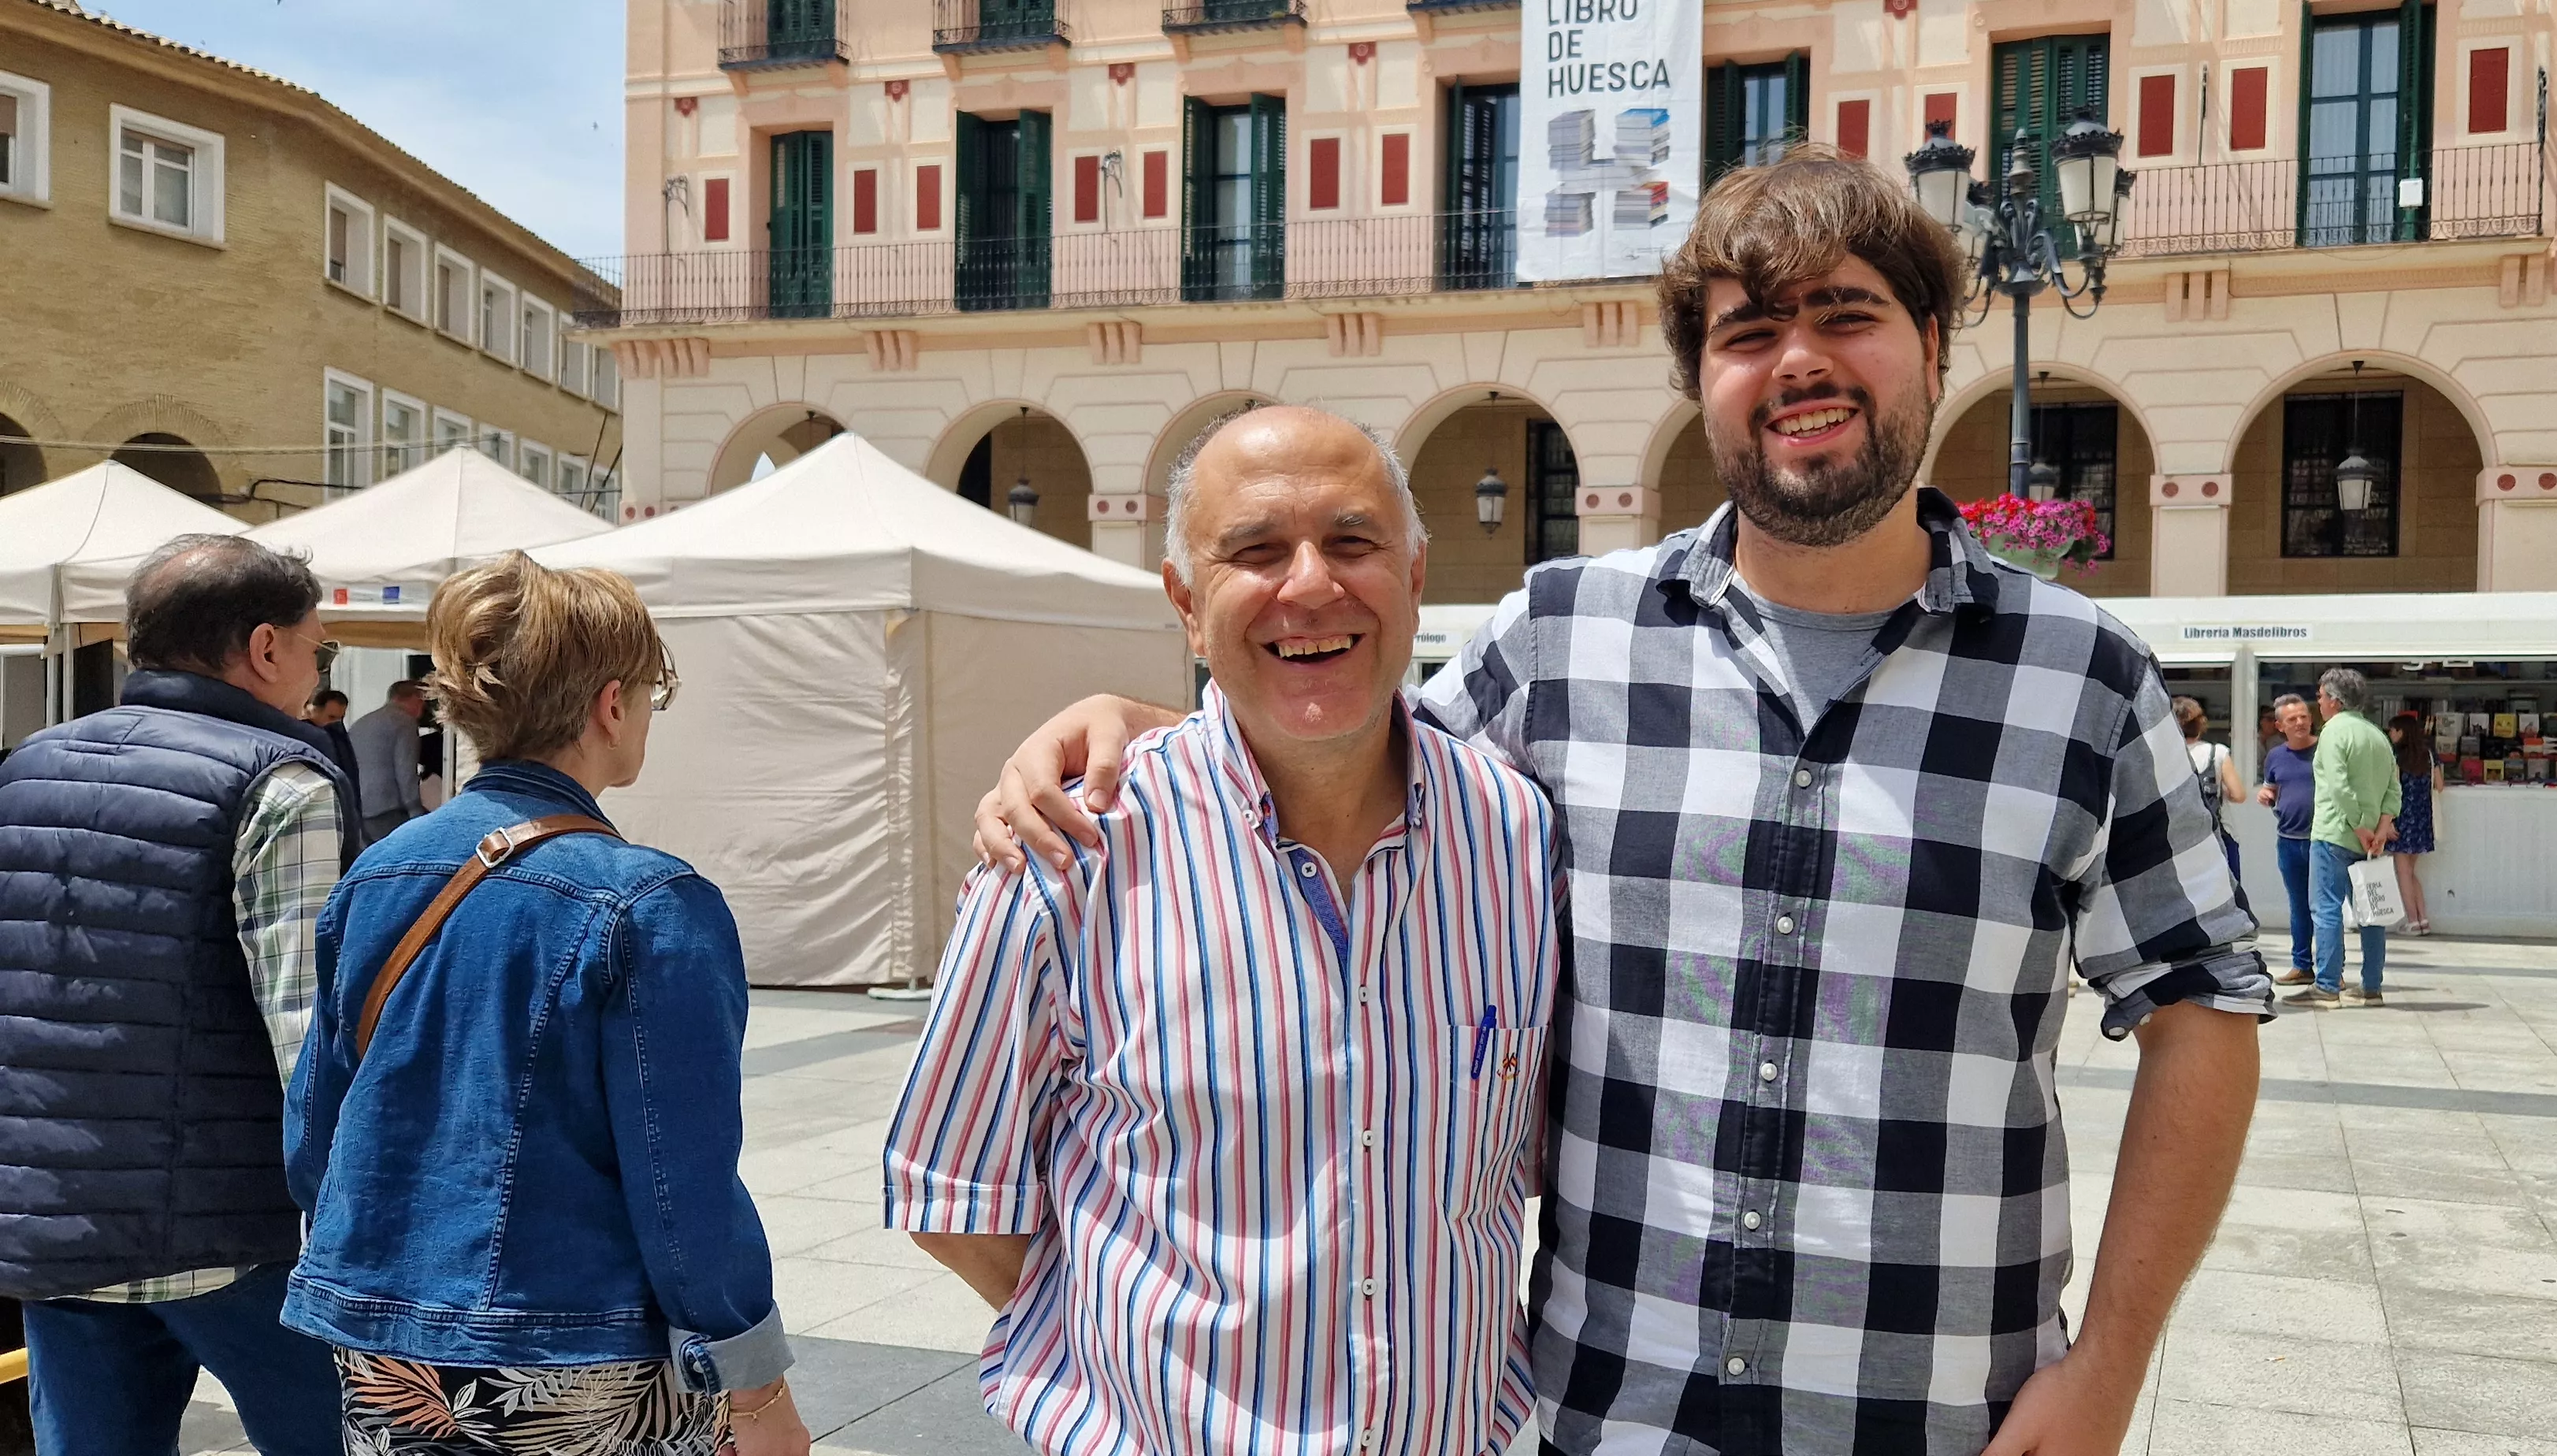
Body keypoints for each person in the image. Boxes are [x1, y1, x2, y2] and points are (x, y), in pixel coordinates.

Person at [975, 147, 2271, 1455]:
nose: (1799, 363)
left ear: (1932, 345)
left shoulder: (2081, 677)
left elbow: (2201, 1003)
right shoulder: (1560, 640)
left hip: (1943, 1417)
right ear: (1703, 383)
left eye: (1848, 315)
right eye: (1751, 332)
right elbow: (1335, 762)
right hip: (1605, 1419)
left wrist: (2109, 1362)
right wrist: (1145, 723)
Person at [886, 406, 1558, 1453]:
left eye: (1352, 541)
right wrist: (1135, 1361)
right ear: (1188, 606)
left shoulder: (1516, 834)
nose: (1310, 585)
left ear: (1415, 575)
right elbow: (953, 1194)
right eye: (1254, 550)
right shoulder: (1069, 851)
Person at [284, 554, 807, 1454]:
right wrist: (752, 1385)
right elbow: (682, 1180)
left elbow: (315, 1127)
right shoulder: (648, 902)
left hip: (383, 1334)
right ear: (612, 704)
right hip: (570, 1334)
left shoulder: (379, 872)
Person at [0, 534, 351, 1455]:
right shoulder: (281, 783)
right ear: (267, 647)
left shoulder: (28, 766)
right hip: (235, 1231)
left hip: (58, 1220)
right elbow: (305, 1027)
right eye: (322, 646)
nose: (318, 668)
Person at [2296, 668, 2399, 1009]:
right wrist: (2381, 828)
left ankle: (2327, 986)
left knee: (2326, 909)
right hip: (2372, 840)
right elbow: (2393, 789)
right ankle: (2371, 985)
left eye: (2322, 696)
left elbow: (2338, 786)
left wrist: (2357, 825)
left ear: (2335, 701)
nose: (2319, 702)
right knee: (2371, 912)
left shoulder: (2332, 733)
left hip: (2335, 833)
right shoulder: (2377, 735)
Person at [2254, 694, 2320, 985]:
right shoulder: (2275, 756)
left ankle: (2333, 970)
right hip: (2289, 840)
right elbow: (2270, 788)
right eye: (2292, 719)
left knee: (2326, 908)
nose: (2300, 722)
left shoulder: (2326, 750)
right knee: (2299, 905)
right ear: (2280, 726)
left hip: (2323, 840)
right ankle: (2302, 965)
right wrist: (2265, 796)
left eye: (2304, 716)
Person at [346, 680, 429, 844]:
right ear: (416, 699)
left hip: (359, 807)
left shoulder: (362, 723)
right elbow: (405, 768)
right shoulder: (404, 722)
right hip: (388, 807)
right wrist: (415, 810)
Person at [2175, 695, 2245, 882]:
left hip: (2179, 837)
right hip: (2218, 835)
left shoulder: (2166, 756)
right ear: (2201, 724)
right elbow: (2239, 795)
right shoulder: (2217, 753)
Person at [2387, 711, 2442, 935]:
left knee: (2404, 873)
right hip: (2422, 818)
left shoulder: (2395, 757)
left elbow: (2393, 789)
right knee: (2410, 871)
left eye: (2392, 730)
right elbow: (2439, 784)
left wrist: (2388, 821)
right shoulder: (2429, 755)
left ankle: (2412, 920)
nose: (2390, 734)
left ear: (2401, 732)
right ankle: (2423, 920)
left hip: (2402, 818)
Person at [305, 689, 367, 835]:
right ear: (314, 711)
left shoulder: (338, 738)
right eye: (331, 717)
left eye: (340, 718)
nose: (336, 723)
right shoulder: (307, 737)